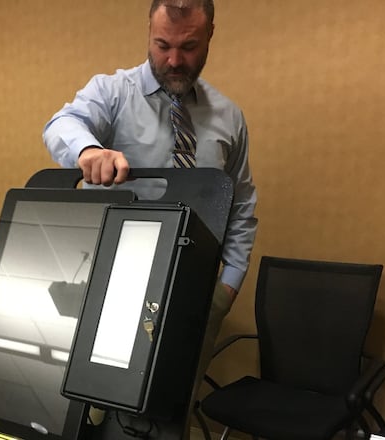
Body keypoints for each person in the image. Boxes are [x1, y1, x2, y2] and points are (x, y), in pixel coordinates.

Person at [43, 0, 257, 434]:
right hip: (117, 289)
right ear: (149, 34)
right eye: (162, 45)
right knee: (106, 411)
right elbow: (62, 123)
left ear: (210, 35)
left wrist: (228, 285)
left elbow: (242, 203)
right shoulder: (113, 92)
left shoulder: (229, 116)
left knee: (169, 412)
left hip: (195, 293)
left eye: (189, 46)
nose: (174, 59)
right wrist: (88, 150)